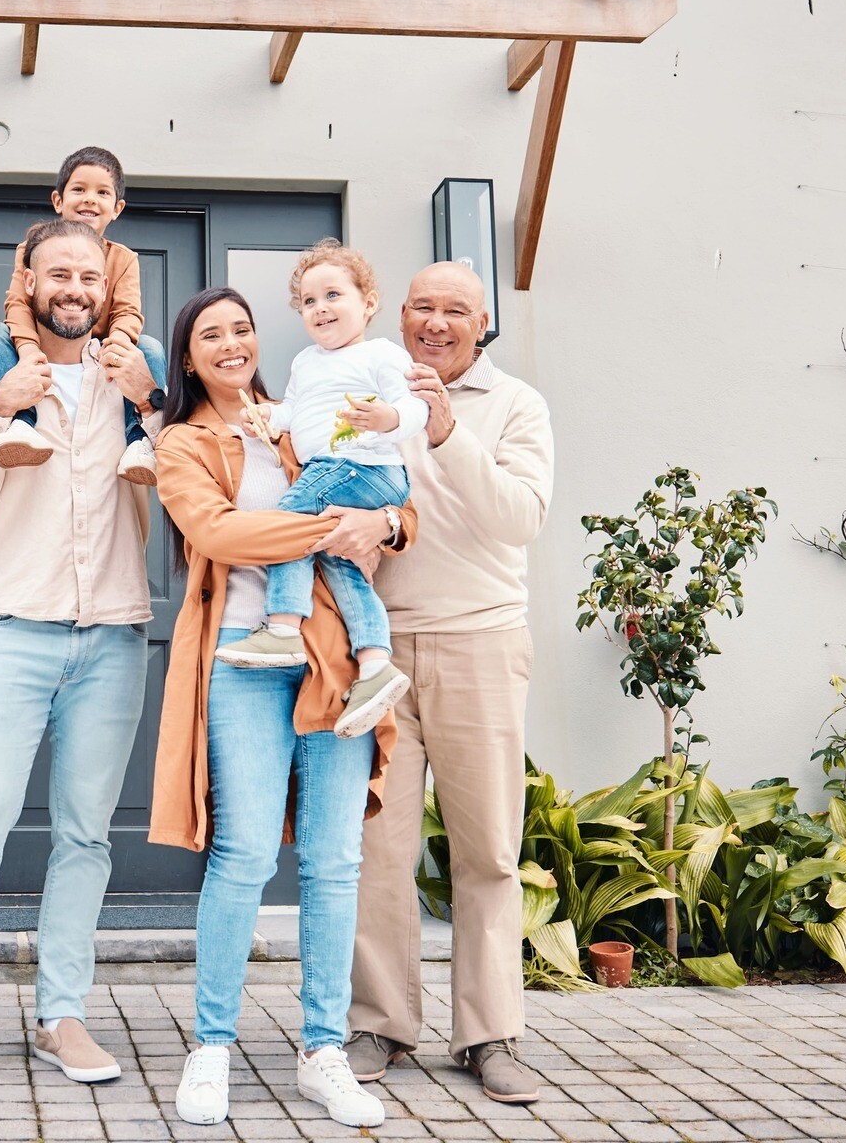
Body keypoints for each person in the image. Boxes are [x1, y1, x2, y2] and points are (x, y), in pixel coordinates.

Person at [0, 217, 165, 1092]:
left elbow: (196, 490)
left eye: (88, 276)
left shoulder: (138, 377)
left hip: (115, 637)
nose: (75, 289)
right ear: (31, 280)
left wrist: (158, 411)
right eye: (59, 273)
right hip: (11, 631)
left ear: (107, 286)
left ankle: (63, 1015)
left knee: (86, 837)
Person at [149, 286, 416, 1129]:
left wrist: (389, 526)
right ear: (188, 358)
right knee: (245, 852)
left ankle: (325, 1050)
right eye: (209, 336)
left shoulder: (304, 410)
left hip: (333, 661)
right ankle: (212, 1047)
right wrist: (339, 524)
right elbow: (220, 535)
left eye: (240, 330)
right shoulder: (181, 442)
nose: (230, 345)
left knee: (336, 862)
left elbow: (395, 498)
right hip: (242, 660)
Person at [344, 260, 555, 1105]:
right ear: (400, 316)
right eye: (423, 307)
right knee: (377, 852)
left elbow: (520, 517)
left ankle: (490, 1035)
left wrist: (443, 434)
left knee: (488, 852)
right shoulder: (372, 392)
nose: (437, 323)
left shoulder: (517, 406)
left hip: (481, 645)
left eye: (456, 310)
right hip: (379, 652)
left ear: (483, 323)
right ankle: (381, 1024)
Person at [214, 240, 428, 738]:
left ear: (368, 303)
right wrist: (269, 416)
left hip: (364, 468)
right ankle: (375, 663)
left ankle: (284, 627)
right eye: (309, 302)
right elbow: (294, 410)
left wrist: (388, 417)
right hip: (334, 470)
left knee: (291, 520)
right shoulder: (306, 362)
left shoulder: (380, 354)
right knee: (336, 560)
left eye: (333, 295)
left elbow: (413, 408)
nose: (320, 308)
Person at [0, 145, 163, 484]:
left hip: (99, 348)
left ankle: (141, 441)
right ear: (58, 201)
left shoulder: (124, 258)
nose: (90, 199)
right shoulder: (32, 248)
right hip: (40, 343)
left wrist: (118, 344)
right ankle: (21, 420)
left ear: (117, 208)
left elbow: (128, 312)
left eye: (102, 192)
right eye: (79, 189)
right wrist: (29, 350)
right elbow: (17, 304)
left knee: (148, 346)